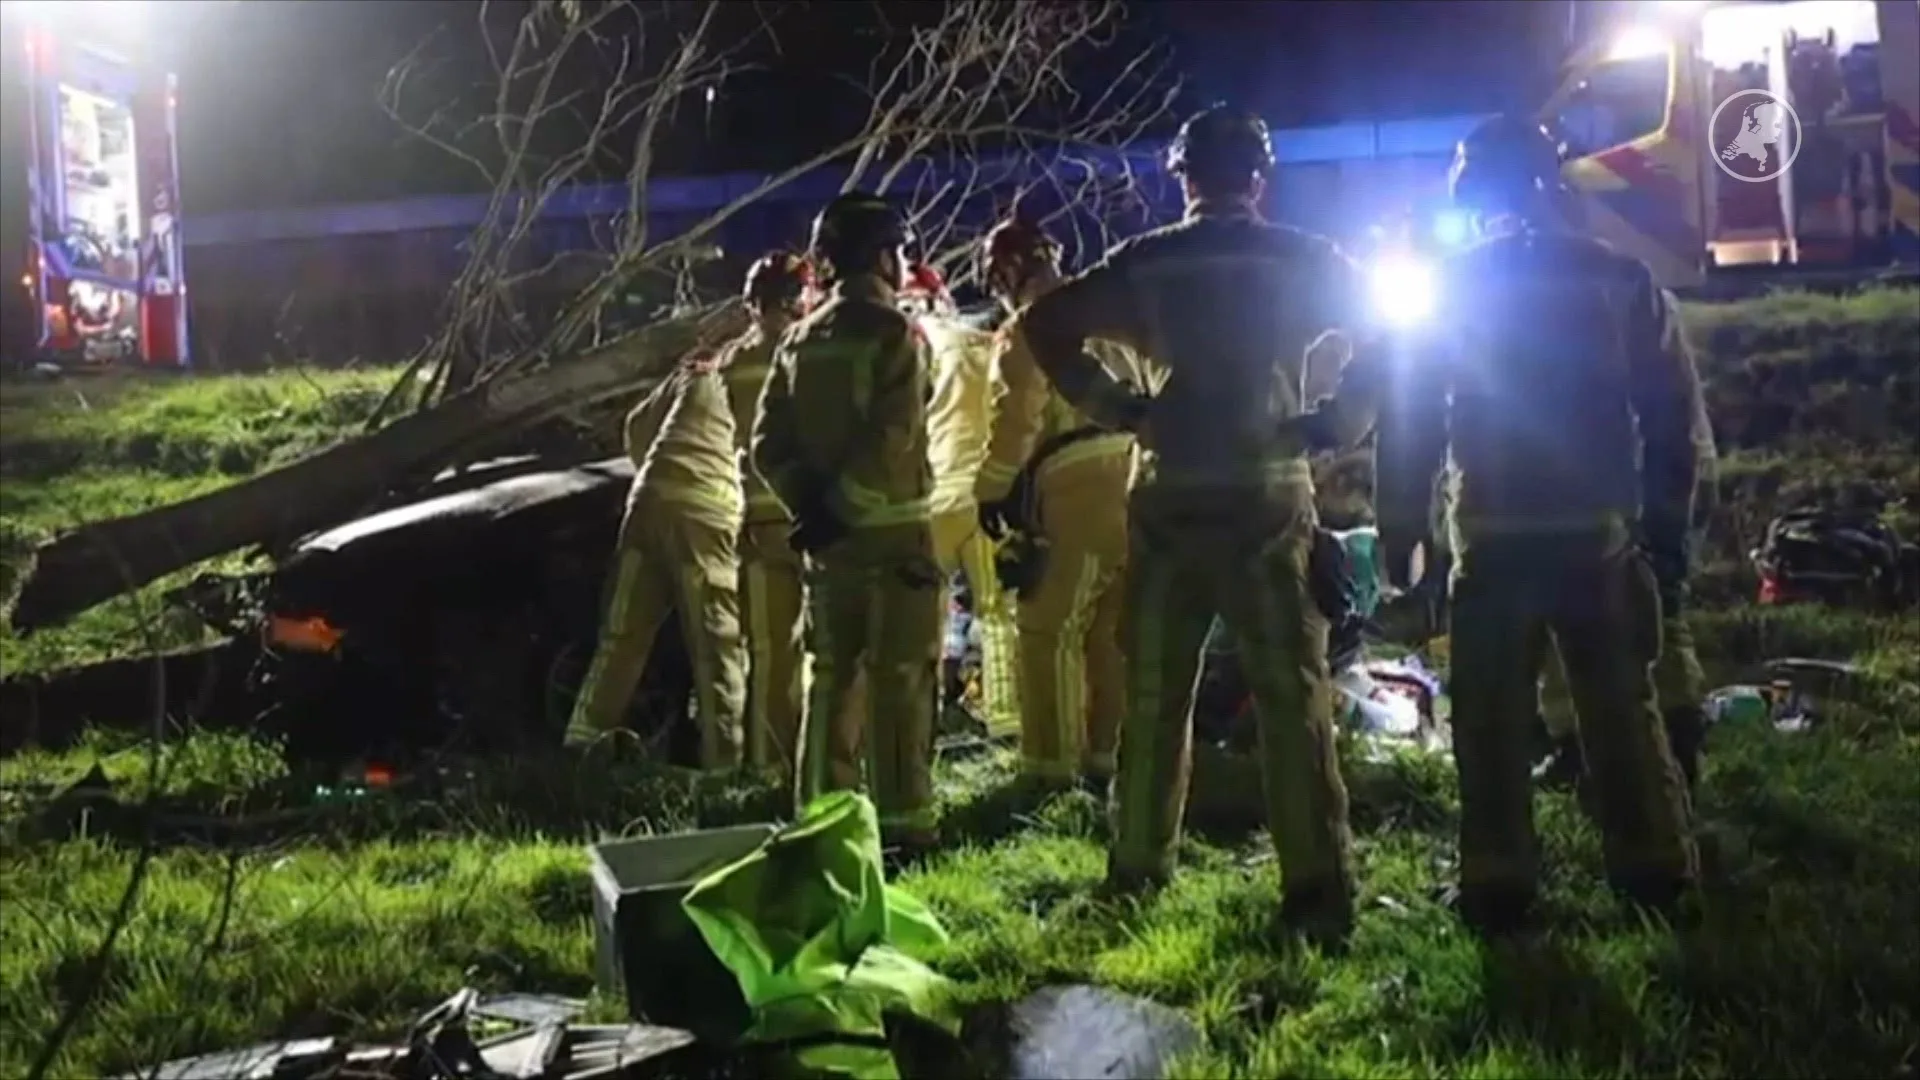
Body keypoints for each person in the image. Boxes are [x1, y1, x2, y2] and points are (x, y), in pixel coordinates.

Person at [1299, 114, 1704, 935]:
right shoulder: (1619, 279)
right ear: (1550, 180)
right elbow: (1674, 423)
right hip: (1597, 536)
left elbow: (1412, 419)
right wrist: (1667, 536)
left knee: (1488, 720)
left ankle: (1498, 883)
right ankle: (1655, 875)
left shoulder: (1454, 287)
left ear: (1472, 190)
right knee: (1621, 709)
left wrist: (1406, 534)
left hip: (1492, 538)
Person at [1014, 104, 1372, 944]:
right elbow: (1389, 331)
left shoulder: (1148, 261)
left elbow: (1046, 322)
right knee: (1291, 694)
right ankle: (1316, 887)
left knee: (1153, 691)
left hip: (1168, 495)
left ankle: (1138, 867)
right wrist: (1336, 419)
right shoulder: (1302, 259)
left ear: (1184, 179)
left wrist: (1119, 407)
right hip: (1266, 494)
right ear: (1259, 177)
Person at [750, 192, 946, 852]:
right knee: (900, 680)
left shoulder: (799, 340)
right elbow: (895, 435)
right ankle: (903, 830)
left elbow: (766, 444)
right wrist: (842, 507)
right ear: (885, 256)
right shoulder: (896, 334)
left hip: (827, 547)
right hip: (896, 537)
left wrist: (811, 508)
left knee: (831, 679)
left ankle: (822, 827)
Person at [973, 217, 1137, 789]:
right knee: (1112, 633)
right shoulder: (1111, 314)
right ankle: (1107, 762)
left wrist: (990, 491)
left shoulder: (1031, 324)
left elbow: (1018, 415)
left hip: (1075, 486)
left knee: (1049, 630)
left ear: (1008, 274)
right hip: (1136, 477)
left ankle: (1050, 773)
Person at [564, 342, 748, 770]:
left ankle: (581, 745)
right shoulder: (768, 363)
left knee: (621, 635)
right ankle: (728, 766)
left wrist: (661, 470)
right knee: (717, 644)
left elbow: (637, 426)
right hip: (705, 515)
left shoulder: (699, 371)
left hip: (646, 504)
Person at [1538, 385, 1718, 792]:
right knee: (1656, 604)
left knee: (1638, 605)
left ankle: (1630, 746)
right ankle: (1666, 742)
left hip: (1629, 466)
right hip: (1658, 459)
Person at [917, 260, 1022, 739]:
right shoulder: (1004, 348)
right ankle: (1006, 723)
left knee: (924, 611)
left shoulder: (927, 341)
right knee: (996, 613)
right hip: (985, 496)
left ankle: (922, 718)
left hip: (936, 496)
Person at [723, 250, 815, 780]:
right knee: (830, 652)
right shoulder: (812, 349)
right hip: (814, 519)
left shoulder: (733, 362)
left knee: (768, 651)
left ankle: (766, 765)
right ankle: (822, 760)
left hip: (756, 526)